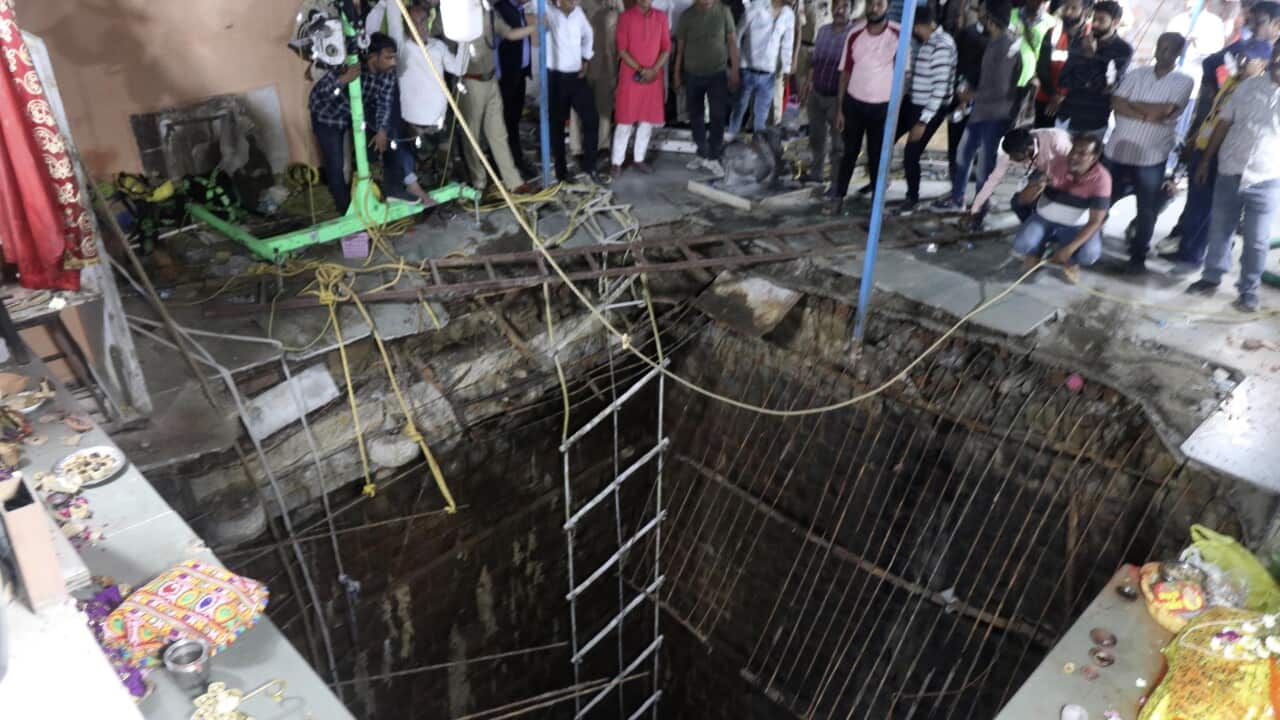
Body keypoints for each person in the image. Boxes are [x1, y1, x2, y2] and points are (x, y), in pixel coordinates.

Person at [1185, 41, 1280, 313]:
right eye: (1277, 53)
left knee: (1258, 239)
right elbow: (1223, 123)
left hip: (1268, 177)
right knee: (1220, 228)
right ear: (1272, 56)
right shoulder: (1247, 87)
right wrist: (1205, 161)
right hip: (1230, 169)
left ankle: (1248, 291)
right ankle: (1210, 277)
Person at [1163, 38, 1273, 269]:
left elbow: (1231, 128)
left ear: (1263, 64)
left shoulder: (1258, 94)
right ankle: (1188, 250)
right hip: (1204, 146)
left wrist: (1208, 157)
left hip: (1221, 154)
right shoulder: (1231, 82)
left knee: (1206, 209)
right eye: (1240, 58)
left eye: (1248, 60)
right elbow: (1214, 115)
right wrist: (1196, 139)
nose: (1242, 63)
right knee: (1196, 203)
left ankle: (1194, 255)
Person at [1103, 32, 1194, 273]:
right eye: (1160, 46)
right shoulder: (1136, 73)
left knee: (1146, 208)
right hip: (1117, 150)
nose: (1162, 52)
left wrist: (1133, 107)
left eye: (1169, 49)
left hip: (1150, 156)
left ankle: (1137, 255)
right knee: (1103, 200)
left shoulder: (1184, 81)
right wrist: (1146, 114)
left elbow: (1164, 112)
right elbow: (1115, 102)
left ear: (1178, 53)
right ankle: (1089, 241)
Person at [932, 0, 1020, 213]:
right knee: (964, 155)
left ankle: (979, 209)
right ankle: (957, 198)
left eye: (981, 11)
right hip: (980, 112)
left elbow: (1001, 88)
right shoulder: (993, 41)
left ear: (990, 18)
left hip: (995, 115)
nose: (978, 14)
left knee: (984, 166)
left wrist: (972, 94)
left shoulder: (1007, 46)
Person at [308, 33, 406, 213]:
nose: (393, 63)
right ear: (372, 56)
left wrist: (382, 131)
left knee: (379, 142)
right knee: (336, 166)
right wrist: (343, 80)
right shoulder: (347, 65)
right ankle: (345, 211)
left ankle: (379, 190)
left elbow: (385, 102)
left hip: (355, 115)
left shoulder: (387, 74)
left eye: (394, 57)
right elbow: (318, 94)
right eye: (388, 57)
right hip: (328, 117)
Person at [825, 0, 899, 213]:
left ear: (887, 7)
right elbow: (845, 72)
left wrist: (895, 110)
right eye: (871, 4)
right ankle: (838, 198)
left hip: (882, 108)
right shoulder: (855, 34)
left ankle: (877, 205)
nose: (874, 8)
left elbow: (903, 75)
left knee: (877, 155)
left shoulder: (897, 35)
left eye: (879, 4)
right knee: (849, 153)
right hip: (854, 104)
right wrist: (840, 108)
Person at [452, 7, 537, 192]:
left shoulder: (488, 14)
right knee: (472, 136)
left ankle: (513, 181)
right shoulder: (455, 16)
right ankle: (479, 182)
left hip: (491, 80)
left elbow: (509, 33)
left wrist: (533, 28)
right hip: (470, 82)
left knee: (498, 133)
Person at [1011, 133, 1112, 283]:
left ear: (1094, 157)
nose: (1073, 157)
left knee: (1089, 255)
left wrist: (1069, 250)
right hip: (1044, 219)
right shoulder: (1053, 163)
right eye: (1072, 151)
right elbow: (1022, 199)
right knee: (1022, 245)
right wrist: (1037, 185)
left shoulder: (1102, 179)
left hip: (1076, 226)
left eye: (1082, 154)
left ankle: (1070, 261)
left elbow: (1096, 221)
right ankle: (1036, 252)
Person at [894, 5, 957, 213]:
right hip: (914, 102)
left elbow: (939, 89)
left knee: (911, 154)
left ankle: (912, 197)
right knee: (887, 139)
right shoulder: (928, 42)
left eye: (914, 27)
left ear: (924, 25)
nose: (913, 32)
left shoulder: (942, 45)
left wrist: (923, 120)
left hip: (927, 110)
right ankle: (879, 182)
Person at [394, 5, 462, 193]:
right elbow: (392, 21)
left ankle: (443, 198)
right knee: (422, 167)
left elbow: (458, 68)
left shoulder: (437, 46)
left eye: (423, 21)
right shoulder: (402, 49)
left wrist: (465, 42)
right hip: (417, 123)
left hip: (440, 119)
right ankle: (426, 203)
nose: (419, 26)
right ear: (406, 26)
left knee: (445, 163)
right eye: (413, 23)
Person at [546, 0, 612, 183]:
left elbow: (588, 34)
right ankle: (561, 172)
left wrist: (585, 58)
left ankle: (589, 165)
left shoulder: (578, 14)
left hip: (576, 78)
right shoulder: (549, 12)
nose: (574, 1)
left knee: (592, 119)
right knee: (556, 126)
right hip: (556, 79)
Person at [674, 0, 742, 175]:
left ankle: (713, 157)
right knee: (695, 116)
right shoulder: (687, 16)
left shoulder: (724, 12)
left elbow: (732, 42)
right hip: (692, 74)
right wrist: (676, 73)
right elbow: (680, 49)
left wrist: (735, 70)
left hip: (717, 74)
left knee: (717, 116)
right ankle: (702, 153)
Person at [1049, 0, 1133, 136]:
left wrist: (1089, 57)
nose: (1094, 24)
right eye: (1094, 19)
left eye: (1101, 20)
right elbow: (1064, 80)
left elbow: (1106, 86)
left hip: (1094, 121)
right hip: (1067, 115)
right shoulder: (1079, 42)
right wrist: (1091, 74)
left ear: (1115, 22)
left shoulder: (1122, 50)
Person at [965, 126, 1074, 227]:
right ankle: (1032, 229)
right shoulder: (1011, 154)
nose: (1011, 159)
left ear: (1028, 150)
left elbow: (1074, 168)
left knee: (1047, 202)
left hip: (1067, 171)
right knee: (1018, 203)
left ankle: (1052, 229)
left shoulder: (1056, 140)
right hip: (1043, 170)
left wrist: (1048, 184)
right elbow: (991, 182)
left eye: (1014, 156)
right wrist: (974, 209)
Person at [611, 0, 672, 176]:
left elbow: (666, 48)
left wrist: (653, 70)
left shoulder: (660, 17)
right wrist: (641, 69)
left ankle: (639, 158)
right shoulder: (625, 17)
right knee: (625, 121)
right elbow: (622, 50)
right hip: (631, 77)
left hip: (653, 77)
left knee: (647, 121)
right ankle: (617, 162)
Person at [800, 0, 855, 184]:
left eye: (844, 7)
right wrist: (808, 82)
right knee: (816, 138)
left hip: (837, 99)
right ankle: (816, 174)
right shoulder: (823, 31)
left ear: (850, 10)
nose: (839, 10)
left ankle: (835, 183)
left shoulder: (853, 35)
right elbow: (815, 61)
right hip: (817, 93)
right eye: (836, 6)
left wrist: (842, 104)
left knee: (838, 144)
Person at [730, 0, 797, 134]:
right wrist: (735, 66)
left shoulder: (789, 15)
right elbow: (737, 35)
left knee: (761, 117)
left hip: (769, 74)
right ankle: (730, 144)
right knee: (738, 111)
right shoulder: (757, 6)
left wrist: (786, 69)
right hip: (747, 70)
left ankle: (758, 148)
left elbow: (787, 44)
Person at [494, 0, 537, 176]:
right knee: (508, 121)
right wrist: (535, 26)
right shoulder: (502, 9)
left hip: (519, 73)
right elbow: (509, 36)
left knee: (514, 119)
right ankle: (511, 163)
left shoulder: (517, 9)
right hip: (507, 76)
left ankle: (514, 159)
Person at [947, 0, 990, 171]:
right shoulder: (967, 34)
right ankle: (955, 182)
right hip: (961, 95)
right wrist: (960, 90)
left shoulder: (1002, 39)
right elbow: (956, 64)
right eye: (985, 9)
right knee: (956, 141)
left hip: (983, 101)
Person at [1035, 0, 1091, 127]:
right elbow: (1042, 68)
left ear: (1085, 11)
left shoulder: (1092, 36)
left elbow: (1088, 73)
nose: (1068, 12)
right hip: (1046, 100)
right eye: (1066, 7)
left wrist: (1064, 97)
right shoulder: (1052, 32)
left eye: (1073, 8)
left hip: (1075, 104)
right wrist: (1054, 96)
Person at [1010, 0, 1058, 120]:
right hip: (1003, 78)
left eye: (1045, 2)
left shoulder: (1052, 24)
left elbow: (1047, 59)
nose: (1040, 5)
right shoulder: (1011, 14)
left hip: (1026, 84)